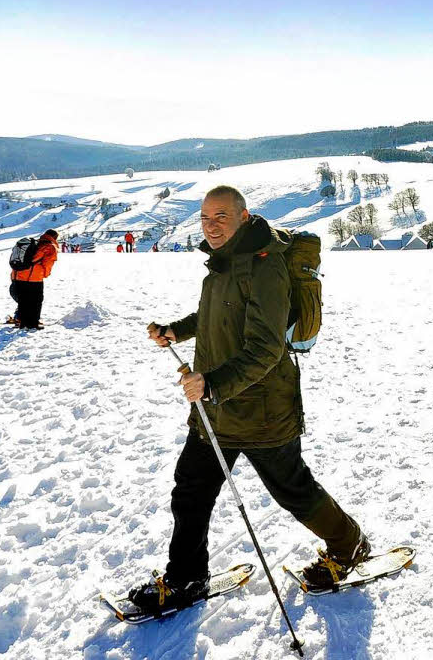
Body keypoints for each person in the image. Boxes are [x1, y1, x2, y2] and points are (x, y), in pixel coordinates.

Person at [130, 185, 369, 609]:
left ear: (243, 216)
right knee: (190, 491)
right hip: (215, 410)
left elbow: (265, 348)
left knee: (293, 490)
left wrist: (213, 384)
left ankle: (348, 545)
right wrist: (176, 331)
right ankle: (186, 578)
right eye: (205, 217)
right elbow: (214, 316)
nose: (212, 225)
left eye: (221, 216)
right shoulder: (225, 262)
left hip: (262, 409)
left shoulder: (265, 266)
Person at [9, 229, 58, 330]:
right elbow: (48, 263)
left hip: (17, 275)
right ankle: (32, 323)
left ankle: (21, 321)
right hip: (33, 278)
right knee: (36, 300)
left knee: (23, 300)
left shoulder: (34, 243)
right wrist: (44, 274)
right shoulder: (49, 247)